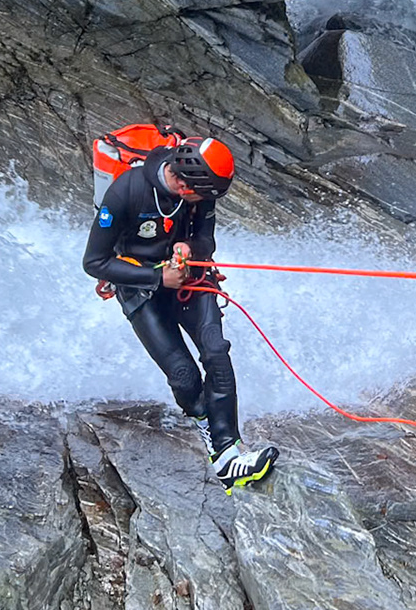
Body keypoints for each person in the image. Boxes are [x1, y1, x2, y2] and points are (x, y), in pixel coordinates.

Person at [83, 134, 277, 492]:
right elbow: (94, 262)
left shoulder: (202, 191)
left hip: (190, 278)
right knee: (184, 377)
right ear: (185, 185)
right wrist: (158, 277)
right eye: (203, 196)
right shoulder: (125, 192)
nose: (206, 201)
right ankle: (205, 421)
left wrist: (190, 247)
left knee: (216, 351)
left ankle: (228, 454)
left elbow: (206, 238)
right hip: (141, 287)